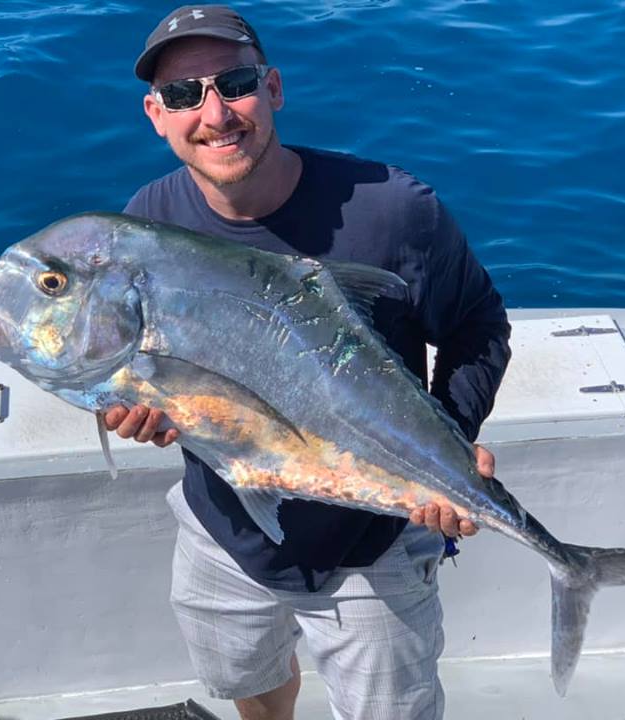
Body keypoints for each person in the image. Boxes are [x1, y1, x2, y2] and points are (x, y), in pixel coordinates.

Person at [105, 6, 512, 719]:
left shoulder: (392, 211)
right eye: (182, 95)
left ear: (274, 88)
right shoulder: (149, 224)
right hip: (224, 527)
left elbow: (479, 326)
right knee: (252, 688)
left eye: (234, 83)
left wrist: (445, 442)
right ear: (155, 115)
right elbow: (173, 385)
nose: (215, 113)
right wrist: (142, 410)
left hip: (375, 540)